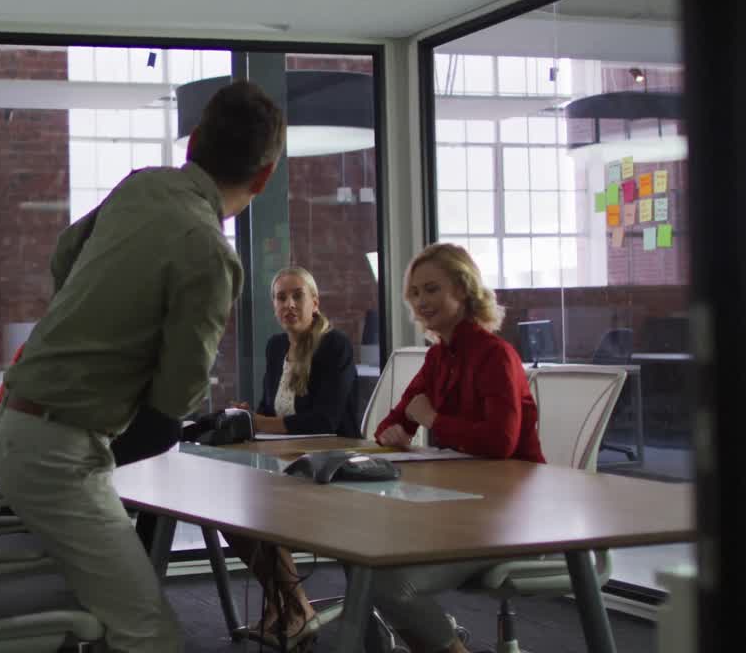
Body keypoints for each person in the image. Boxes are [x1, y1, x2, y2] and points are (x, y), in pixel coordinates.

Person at [0, 80, 286, 653]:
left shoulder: (141, 185)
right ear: (265, 177)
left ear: (193, 141)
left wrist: (102, 319)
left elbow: (64, 254)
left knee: (114, 614)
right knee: (150, 633)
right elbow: (175, 399)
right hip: (58, 453)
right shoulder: (212, 253)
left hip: (22, 423)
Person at [370, 242, 544, 653]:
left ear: (463, 290)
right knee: (364, 555)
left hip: (508, 518)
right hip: (460, 509)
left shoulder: (496, 355)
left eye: (432, 289)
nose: (421, 301)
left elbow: (499, 443)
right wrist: (394, 432)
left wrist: (432, 420)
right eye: (415, 293)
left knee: (387, 582)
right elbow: (392, 423)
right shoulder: (439, 358)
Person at [222, 266, 358, 649]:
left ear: (315, 302)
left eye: (298, 295)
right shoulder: (275, 347)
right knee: (230, 512)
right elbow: (270, 410)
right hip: (286, 462)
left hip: (330, 468)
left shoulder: (334, 346)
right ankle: (288, 602)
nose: (289, 304)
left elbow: (325, 420)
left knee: (261, 510)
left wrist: (261, 421)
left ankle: (294, 608)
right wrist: (249, 415)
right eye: (281, 297)